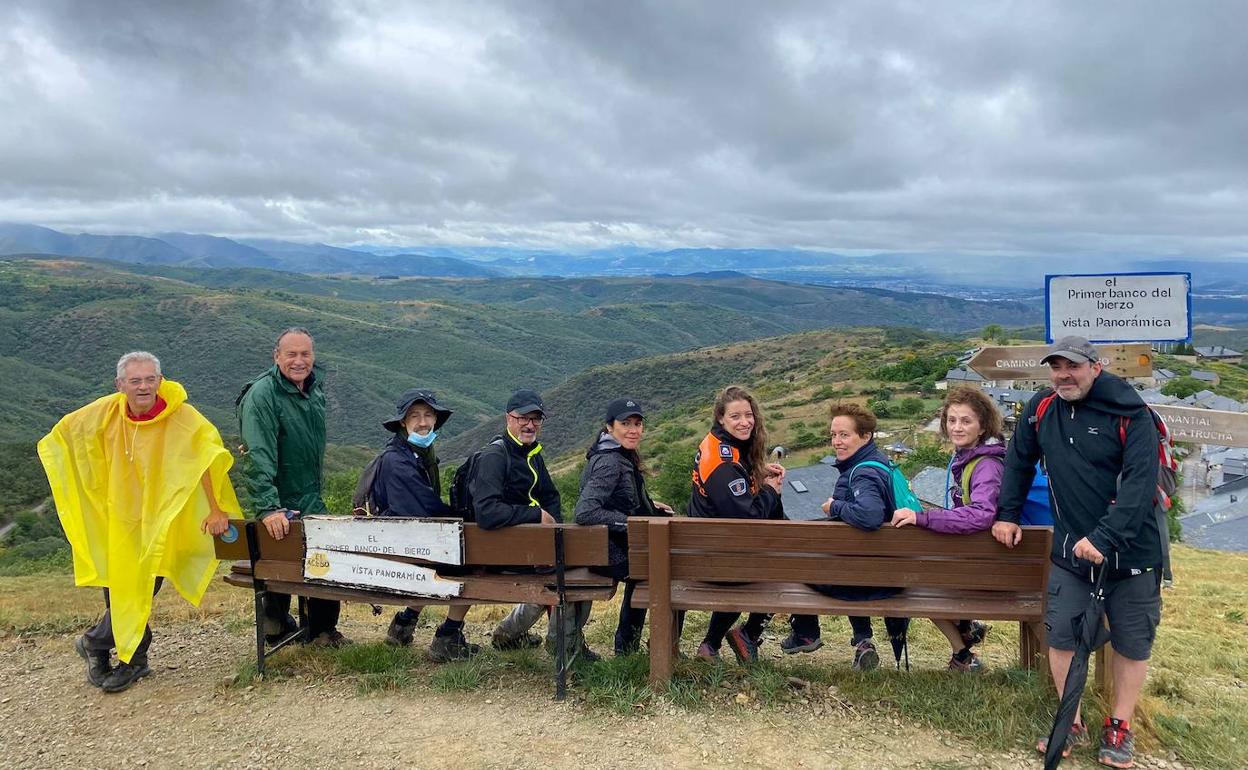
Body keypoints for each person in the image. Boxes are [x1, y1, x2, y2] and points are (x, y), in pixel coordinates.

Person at [993, 336, 1163, 769]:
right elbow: (1019, 459)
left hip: (1133, 552)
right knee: (1063, 635)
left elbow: (1142, 485)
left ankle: (1119, 726)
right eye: (1056, 367)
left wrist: (1104, 539)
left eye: (1073, 367)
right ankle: (1072, 720)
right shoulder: (1042, 408)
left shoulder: (1132, 414)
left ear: (1095, 367)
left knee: (1132, 640)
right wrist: (1008, 512)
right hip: (1071, 552)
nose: (1063, 375)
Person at [39, 351, 238, 693]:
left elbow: (207, 456)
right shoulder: (106, 411)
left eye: (150, 379)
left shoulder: (182, 417)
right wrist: (90, 485)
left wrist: (216, 508)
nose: (143, 387)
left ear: (161, 381)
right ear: (120, 385)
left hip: (159, 521)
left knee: (144, 585)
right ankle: (127, 660)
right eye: (135, 381)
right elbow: (69, 434)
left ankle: (96, 643)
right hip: (118, 517)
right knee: (117, 588)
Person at [237, 327, 347, 647]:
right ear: (276, 357)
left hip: (308, 491)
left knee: (315, 555)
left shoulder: (312, 389)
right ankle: (312, 629)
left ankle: (293, 625)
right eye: (291, 354)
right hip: (282, 497)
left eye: (305, 354)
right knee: (307, 553)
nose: (299, 361)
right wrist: (269, 506)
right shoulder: (263, 395)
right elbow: (257, 455)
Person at [786, 403, 909, 671]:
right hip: (886, 570)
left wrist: (834, 507)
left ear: (866, 436)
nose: (836, 442)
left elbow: (870, 515)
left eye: (844, 435)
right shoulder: (881, 463)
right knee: (847, 563)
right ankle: (862, 642)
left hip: (873, 579)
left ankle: (806, 631)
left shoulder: (862, 472)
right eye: (833, 435)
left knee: (800, 562)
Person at [890, 387, 1004, 671]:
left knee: (915, 585)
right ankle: (966, 629)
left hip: (989, 568)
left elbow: (981, 515)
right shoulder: (971, 457)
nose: (956, 427)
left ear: (982, 425)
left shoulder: (986, 465)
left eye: (965, 421)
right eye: (951, 420)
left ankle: (963, 653)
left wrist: (923, 518)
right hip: (985, 560)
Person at [370, 389, 478, 662]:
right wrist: (465, 518)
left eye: (428, 415)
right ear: (403, 423)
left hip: (403, 539)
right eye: (414, 416)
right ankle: (448, 636)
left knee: (441, 553)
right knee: (474, 559)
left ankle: (404, 623)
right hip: (403, 543)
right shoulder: (397, 461)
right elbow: (423, 511)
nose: (422, 422)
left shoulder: (416, 453)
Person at [688, 385, 785, 663]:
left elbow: (730, 490)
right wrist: (770, 491)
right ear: (721, 418)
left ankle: (713, 645)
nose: (745, 422)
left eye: (748, 414)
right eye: (735, 417)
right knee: (781, 566)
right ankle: (748, 635)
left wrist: (756, 473)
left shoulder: (715, 445)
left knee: (770, 561)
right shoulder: (723, 462)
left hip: (709, 544)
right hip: (717, 556)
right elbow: (749, 518)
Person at [573, 398, 675, 656]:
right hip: (607, 551)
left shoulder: (619, 455)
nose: (633, 429)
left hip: (613, 546)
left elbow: (622, 498)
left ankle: (627, 645)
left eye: (638, 424)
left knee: (650, 567)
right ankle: (641, 647)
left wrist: (649, 506)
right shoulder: (609, 462)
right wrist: (631, 523)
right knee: (662, 569)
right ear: (609, 427)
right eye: (625, 424)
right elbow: (585, 511)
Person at [469, 389, 567, 655]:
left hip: (529, 550)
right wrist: (535, 516)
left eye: (536, 418)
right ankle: (564, 643)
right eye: (523, 417)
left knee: (562, 571)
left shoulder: (533, 454)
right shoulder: (495, 457)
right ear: (508, 419)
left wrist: (552, 531)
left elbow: (551, 496)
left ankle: (510, 633)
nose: (530, 424)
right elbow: (487, 512)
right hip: (500, 554)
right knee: (569, 578)